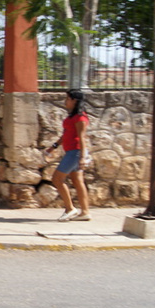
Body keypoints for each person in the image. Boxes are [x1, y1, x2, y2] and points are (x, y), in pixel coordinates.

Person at [44, 89, 91, 222]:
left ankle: (70, 209)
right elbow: (66, 135)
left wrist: (82, 157)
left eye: (67, 99)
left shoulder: (80, 118)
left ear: (74, 101)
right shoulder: (72, 117)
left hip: (75, 152)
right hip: (72, 151)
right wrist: (53, 147)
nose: (65, 101)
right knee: (77, 181)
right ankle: (85, 212)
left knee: (57, 179)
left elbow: (82, 138)